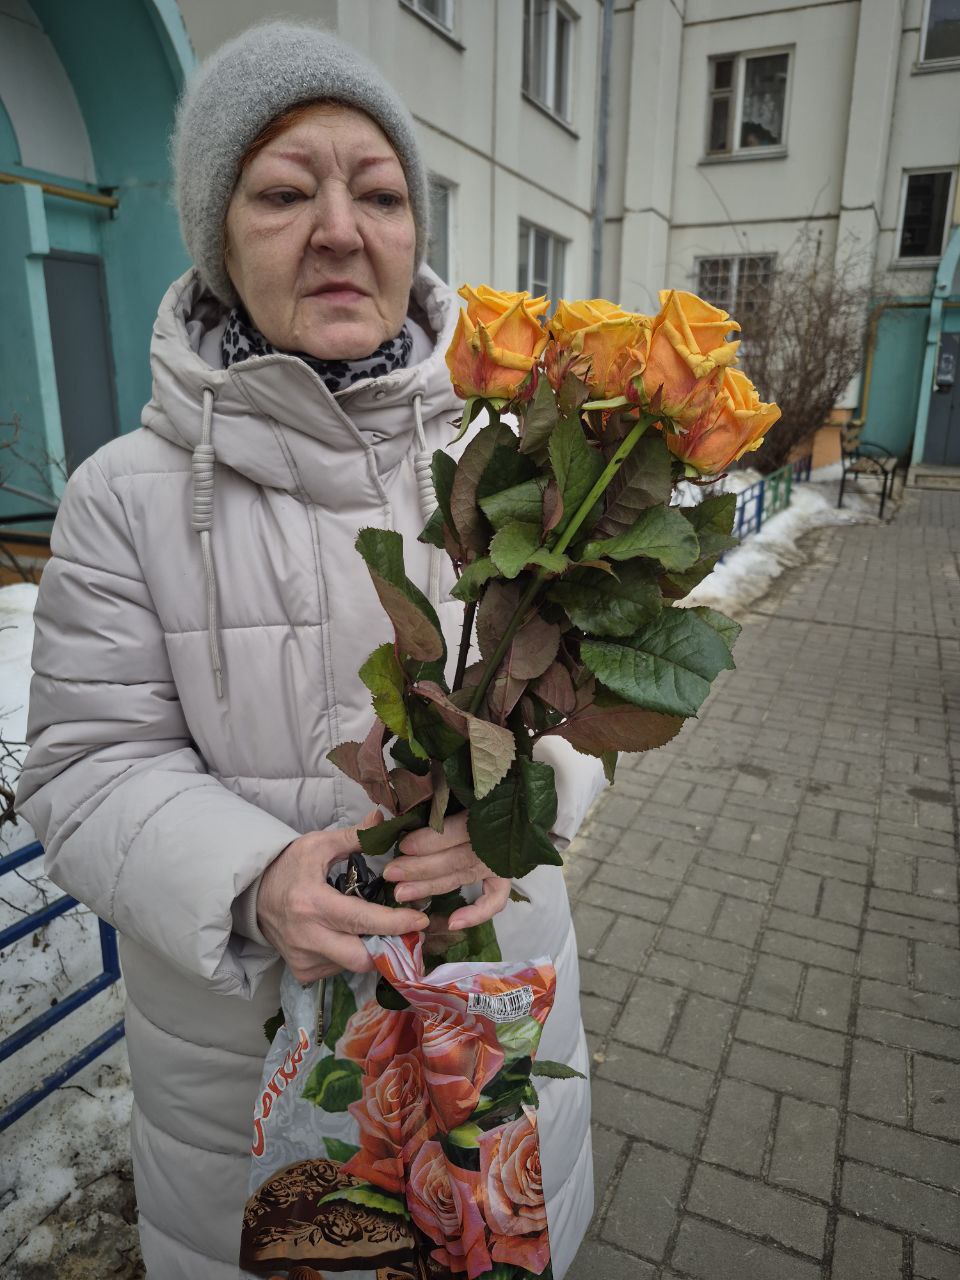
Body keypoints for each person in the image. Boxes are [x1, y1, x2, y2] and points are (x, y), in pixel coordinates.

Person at [17, 22, 603, 1280]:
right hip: (244, 1075)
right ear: (218, 242)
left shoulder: (514, 463)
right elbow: (82, 766)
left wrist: (534, 794)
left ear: (413, 233)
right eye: (285, 191)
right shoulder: (125, 496)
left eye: (380, 193)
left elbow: (578, 704)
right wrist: (249, 879)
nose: (342, 229)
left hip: (487, 1016)